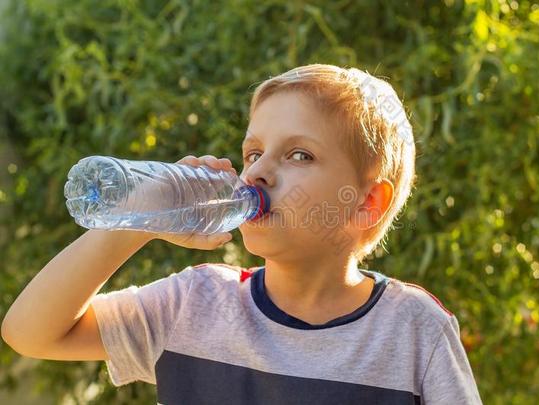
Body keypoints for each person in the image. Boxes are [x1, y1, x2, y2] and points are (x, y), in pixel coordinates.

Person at [1, 64, 483, 404]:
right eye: (253, 153)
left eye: (299, 155)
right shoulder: (194, 304)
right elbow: (30, 332)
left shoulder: (414, 331)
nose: (257, 173)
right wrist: (140, 220)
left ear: (365, 203)